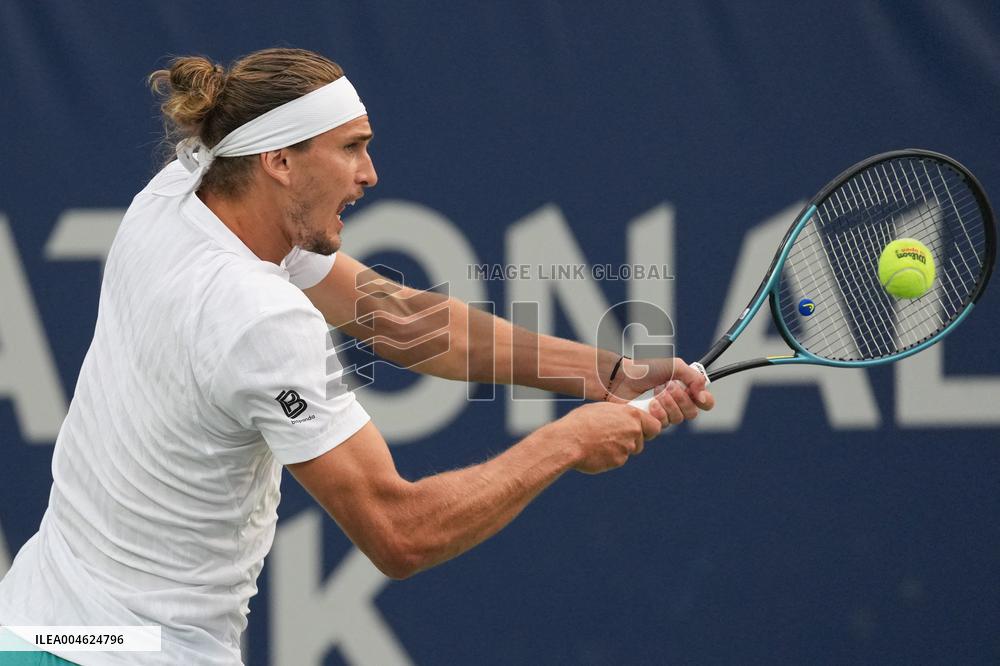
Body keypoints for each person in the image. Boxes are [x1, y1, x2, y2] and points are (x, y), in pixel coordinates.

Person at [0, 48, 714, 665]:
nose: (369, 174)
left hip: (40, 625)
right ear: (279, 160)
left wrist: (604, 374)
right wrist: (566, 443)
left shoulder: (179, 196)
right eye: (351, 147)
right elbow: (400, 534)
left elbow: (399, 320)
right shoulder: (256, 316)